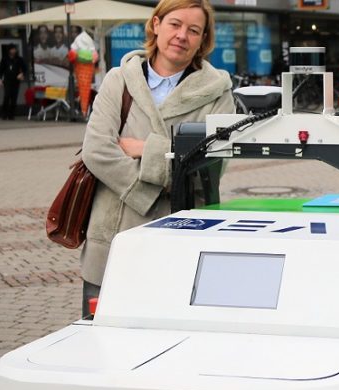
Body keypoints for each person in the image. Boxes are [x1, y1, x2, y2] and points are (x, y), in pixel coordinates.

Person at [79, 0, 234, 318]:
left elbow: (210, 168)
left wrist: (145, 148)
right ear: (156, 24)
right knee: (99, 338)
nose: (182, 36)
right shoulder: (119, 80)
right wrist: (155, 186)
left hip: (182, 240)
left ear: (203, 40)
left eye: (194, 30)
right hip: (113, 240)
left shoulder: (218, 93)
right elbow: (96, 150)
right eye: (175, 24)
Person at [0, 45, 26, 120]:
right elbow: (0, 70)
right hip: (7, 80)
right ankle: (4, 114)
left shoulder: (19, 59)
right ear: (9, 50)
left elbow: (25, 69)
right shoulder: (5, 59)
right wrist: (0, 79)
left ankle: (11, 114)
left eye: (14, 49)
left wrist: (22, 74)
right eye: (12, 49)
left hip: (16, 80)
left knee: (14, 98)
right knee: (7, 96)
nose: (13, 51)